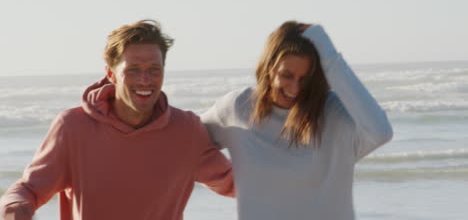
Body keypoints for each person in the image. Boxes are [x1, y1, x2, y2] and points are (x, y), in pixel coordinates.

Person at [0, 20, 234, 220]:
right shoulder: (73, 127)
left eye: (154, 69)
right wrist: (14, 208)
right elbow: (30, 188)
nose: (145, 80)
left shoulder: (186, 130)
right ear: (111, 74)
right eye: (133, 70)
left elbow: (236, 183)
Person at [201, 21, 393, 220]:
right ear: (268, 68)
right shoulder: (238, 108)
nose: (295, 88)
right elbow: (188, 142)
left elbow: (380, 132)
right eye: (286, 75)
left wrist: (330, 58)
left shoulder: (334, 112)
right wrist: (225, 180)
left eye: (305, 79)